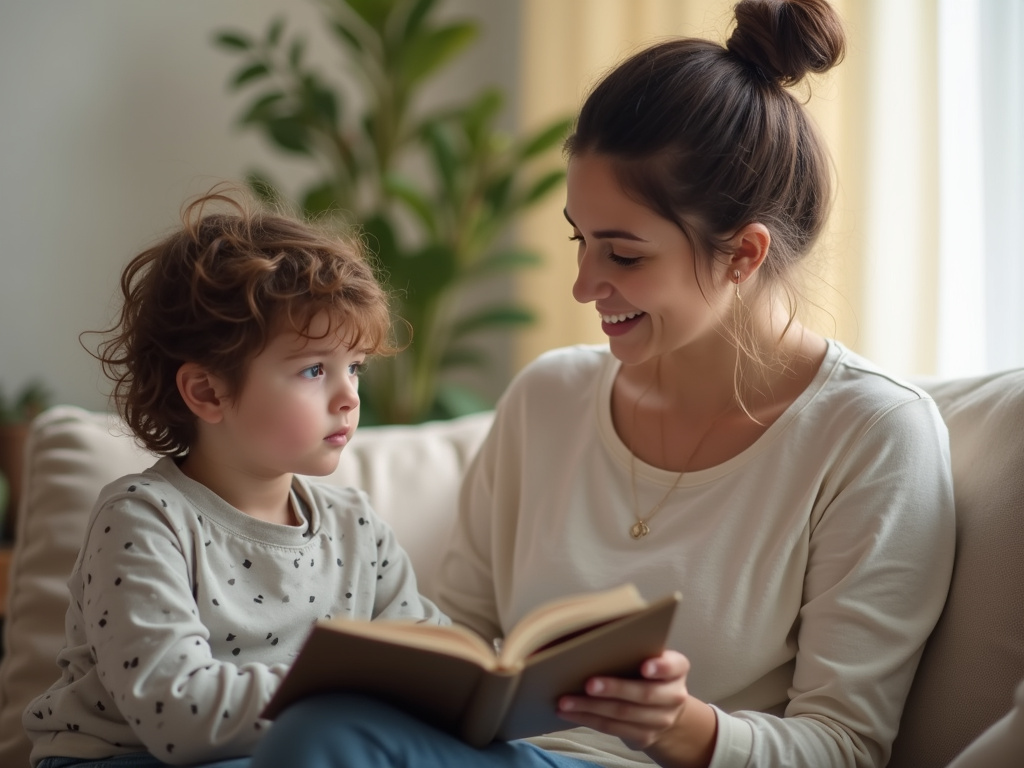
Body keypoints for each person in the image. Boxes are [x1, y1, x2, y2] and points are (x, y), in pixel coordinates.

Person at [250, 1, 955, 767]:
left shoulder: (875, 435)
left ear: (743, 255)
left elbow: (847, 747)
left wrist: (682, 726)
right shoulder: (548, 397)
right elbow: (454, 629)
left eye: (623, 255)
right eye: (578, 240)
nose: (585, 286)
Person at [22, 185, 448, 768]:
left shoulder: (357, 527)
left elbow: (435, 662)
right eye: (314, 369)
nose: (349, 396)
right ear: (207, 391)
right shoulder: (142, 520)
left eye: (355, 367)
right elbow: (181, 715)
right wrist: (358, 696)